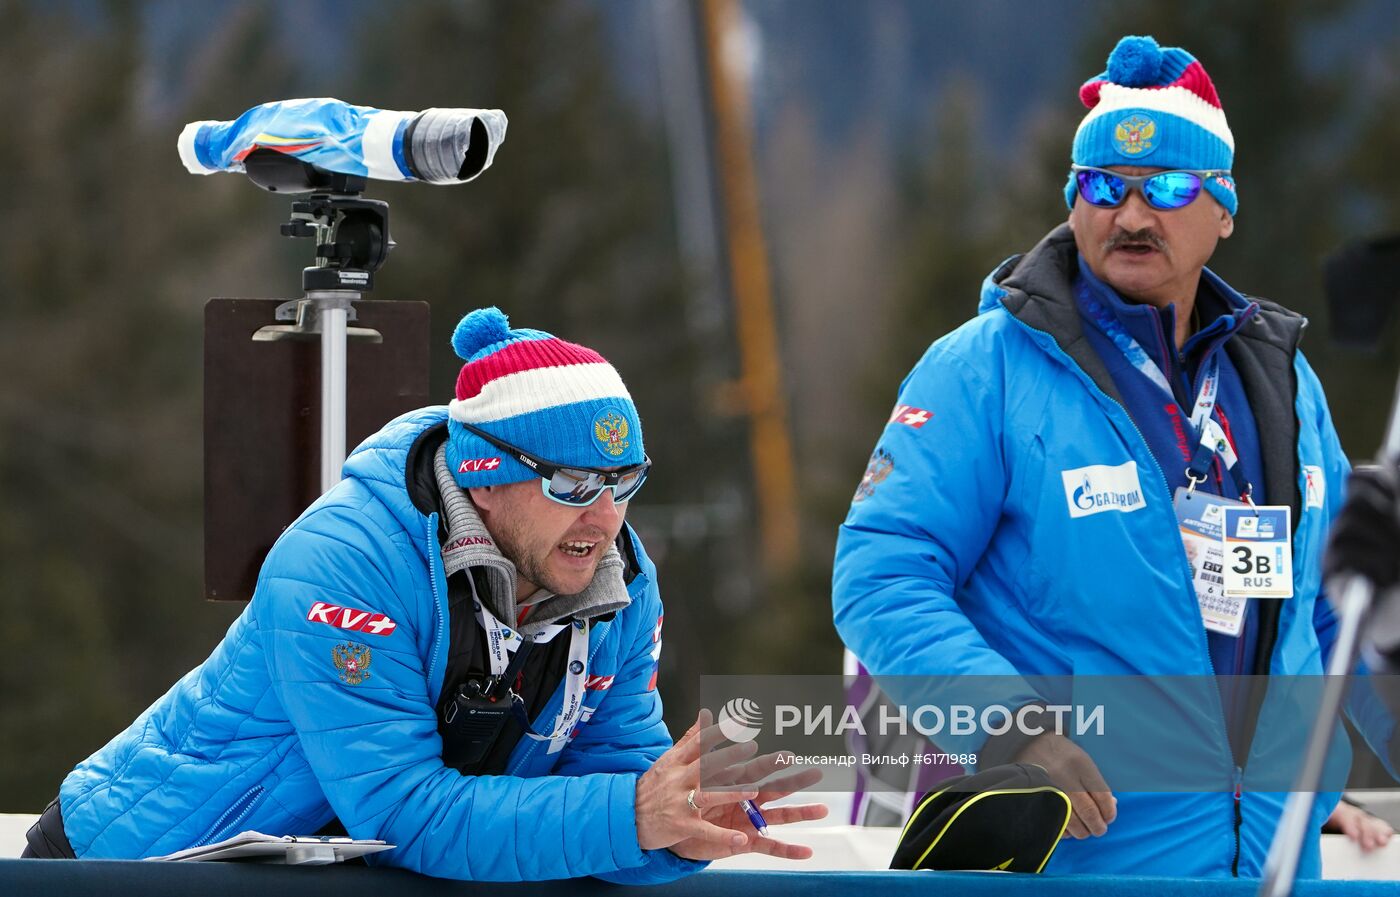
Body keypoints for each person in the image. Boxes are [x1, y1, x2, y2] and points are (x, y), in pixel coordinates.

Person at [833, 35, 1395, 878]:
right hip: (1081, 860)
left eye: (1168, 187)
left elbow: (1337, 610)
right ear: (1072, 201)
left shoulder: (1282, 380)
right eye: (1104, 187)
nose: (1132, 215)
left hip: (1275, 865)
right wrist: (1011, 727)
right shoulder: (984, 368)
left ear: (1223, 210)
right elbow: (881, 574)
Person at [30, 307, 825, 880]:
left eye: (625, 480)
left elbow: (618, 781)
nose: (607, 515)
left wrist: (679, 832)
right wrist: (632, 816)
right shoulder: (341, 564)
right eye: (576, 482)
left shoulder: (614, 578)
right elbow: (406, 813)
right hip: (126, 867)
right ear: (487, 477)